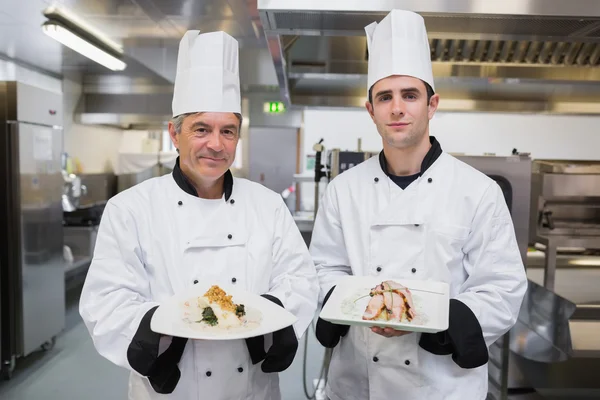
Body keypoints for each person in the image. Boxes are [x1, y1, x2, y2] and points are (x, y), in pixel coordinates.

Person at [79, 30, 319, 400]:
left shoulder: (268, 205)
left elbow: (299, 278)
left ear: (238, 138)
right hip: (170, 387)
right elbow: (106, 300)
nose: (216, 144)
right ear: (174, 134)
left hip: (250, 386)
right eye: (201, 129)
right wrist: (156, 340)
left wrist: (276, 317)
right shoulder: (130, 208)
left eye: (228, 131)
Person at [310, 10, 527, 400]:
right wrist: (347, 305)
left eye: (410, 95)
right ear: (370, 110)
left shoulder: (477, 191)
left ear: (431, 104)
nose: (397, 108)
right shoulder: (343, 191)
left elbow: (502, 287)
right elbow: (325, 269)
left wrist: (437, 321)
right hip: (358, 383)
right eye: (385, 97)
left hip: (441, 386)